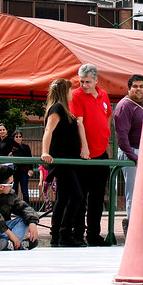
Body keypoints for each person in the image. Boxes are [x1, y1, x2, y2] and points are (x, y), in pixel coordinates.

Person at [70, 64, 112, 246]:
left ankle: (94, 234)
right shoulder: (76, 95)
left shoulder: (103, 95)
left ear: (96, 80)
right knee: (81, 197)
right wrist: (84, 147)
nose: (84, 85)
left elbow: (108, 115)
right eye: (81, 81)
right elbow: (79, 122)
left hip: (101, 153)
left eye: (87, 81)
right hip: (85, 155)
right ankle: (77, 234)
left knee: (97, 197)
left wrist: (107, 134)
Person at [40, 78, 85, 247]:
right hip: (62, 161)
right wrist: (45, 151)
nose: (72, 93)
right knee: (76, 197)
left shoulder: (64, 109)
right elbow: (48, 130)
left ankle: (57, 235)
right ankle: (63, 234)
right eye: (70, 90)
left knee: (63, 197)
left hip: (69, 160)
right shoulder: (57, 108)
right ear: (64, 92)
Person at [114, 74, 143, 234]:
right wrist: (134, 157)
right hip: (132, 152)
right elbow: (121, 136)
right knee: (133, 192)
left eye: (141, 86)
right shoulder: (124, 106)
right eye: (135, 86)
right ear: (129, 88)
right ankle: (133, 228)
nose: (138, 89)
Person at [10, 130, 34, 200]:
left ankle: (26, 208)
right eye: (16, 137)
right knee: (14, 190)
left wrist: (30, 169)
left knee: (25, 191)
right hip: (15, 171)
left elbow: (30, 158)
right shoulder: (11, 148)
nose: (18, 138)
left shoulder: (26, 147)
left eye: (20, 137)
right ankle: (14, 208)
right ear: (13, 138)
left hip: (24, 171)